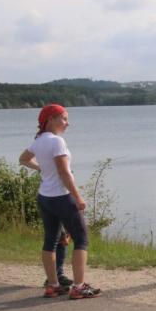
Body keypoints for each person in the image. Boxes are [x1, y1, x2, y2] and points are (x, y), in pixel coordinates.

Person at [19, 104, 101, 299]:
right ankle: (79, 287)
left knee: (51, 241)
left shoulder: (39, 141)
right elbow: (64, 172)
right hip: (62, 197)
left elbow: (23, 159)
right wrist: (78, 197)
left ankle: (53, 285)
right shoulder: (57, 142)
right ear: (51, 119)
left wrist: (41, 170)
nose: (67, 123)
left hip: (45, 197)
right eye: (64, 118)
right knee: (81, 239)